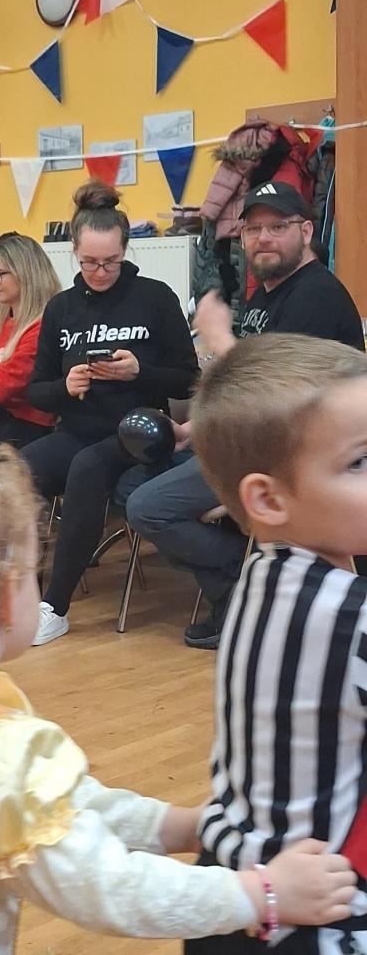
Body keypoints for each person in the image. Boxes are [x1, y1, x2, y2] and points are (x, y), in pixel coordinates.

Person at [0, 440, 354, 955]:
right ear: (7, 597)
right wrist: (261, 894)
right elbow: (104, 886)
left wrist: (175, 826)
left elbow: (60, 805)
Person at [186, 332, 367, 955]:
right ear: (267, 498)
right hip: (308, 913)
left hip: (227, 882)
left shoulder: (262, 574)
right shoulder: (350, 618)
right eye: (360, 463)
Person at [125, 181, 364, 650]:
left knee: (148, 507)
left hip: (290, 457)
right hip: (254, 445)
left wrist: (218, 338)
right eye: (253, 229)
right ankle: (242, 584)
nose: (263, 238)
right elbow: (244, 399)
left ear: (306, 231)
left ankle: (244, 583)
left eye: (277, 227)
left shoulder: (316, 295)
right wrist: (192, 429)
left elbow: (273, 393)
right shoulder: (266, 296)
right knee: (128, 482)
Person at [22, 181, 198, 646]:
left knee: (87, 467)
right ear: (73, 253)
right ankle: (17, 592)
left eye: (111, 262)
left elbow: (188, 380)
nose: (100, 272)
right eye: (89, 262)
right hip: (78, 427)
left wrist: (140, 372)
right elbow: (37, 391)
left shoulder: (155, 298)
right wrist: (66, 386)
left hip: (138, 430)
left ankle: (54, 607)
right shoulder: (60, 308)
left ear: (125, 252)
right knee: (17, 471)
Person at [0, 232, 61, 449]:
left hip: (22, 427)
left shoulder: (43, 326)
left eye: (1, 273)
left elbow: (2, 385)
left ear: (26, 274)